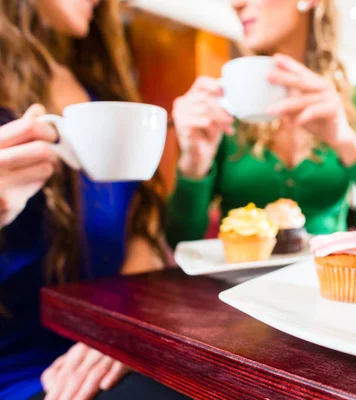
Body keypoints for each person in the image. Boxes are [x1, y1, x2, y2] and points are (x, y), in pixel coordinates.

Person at [0, 1, 187, 399]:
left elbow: (141, 228)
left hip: (110, 343)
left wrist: (122, 324)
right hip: (25, 371)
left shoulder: (98, 90)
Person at [166, 0, 356, 245]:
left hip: (327, 286)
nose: (235, 3)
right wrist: (193, 164)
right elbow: (180, 241)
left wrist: (344, 139)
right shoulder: (224, 107)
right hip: (230, 291)